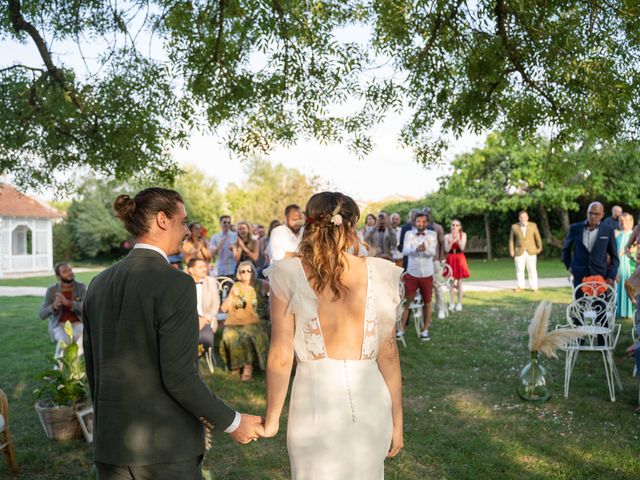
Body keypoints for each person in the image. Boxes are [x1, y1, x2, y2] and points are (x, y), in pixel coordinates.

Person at [83, 188, 262, 480]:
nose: (187, 231)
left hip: (111, 446)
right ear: (163, 220)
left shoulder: (98, 283)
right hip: (165, 450)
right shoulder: (175, 283)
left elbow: (94, 369)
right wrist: (233, 421)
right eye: (183, 222)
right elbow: (179, 376)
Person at [260, 192, 404, 479]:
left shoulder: (287, 273)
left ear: (309, 224)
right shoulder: (378, 272)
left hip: (313, 404)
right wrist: (397, 420)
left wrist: (272, 421)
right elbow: (388, 353)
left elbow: (280, 355)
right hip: (371, 402)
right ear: (351, 226)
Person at [219, 261, 270, 381]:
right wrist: (231, 296)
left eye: (249, 270)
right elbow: (223, 309)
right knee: (229, 335)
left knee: (249, 335)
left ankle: (248, 367)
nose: (247, 273)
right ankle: (235, 366)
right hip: (236, 322)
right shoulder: (236, 286)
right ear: (239, 274)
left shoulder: (262, 284)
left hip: (257, 321)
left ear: (253, 271)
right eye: (243, 271)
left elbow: (276, 295)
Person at [561, 201, 619, 289]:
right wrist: (569, 266)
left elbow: (614, 256)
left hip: (601, 276)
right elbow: (566, 248)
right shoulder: (575, 228)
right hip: (580, 275)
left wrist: (611, 276)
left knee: (600, 303)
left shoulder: (608, 230)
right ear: (587, 212)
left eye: (597, 214)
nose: (593, 216)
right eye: (590, 213)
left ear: (602, 214)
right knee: (580, 302)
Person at [400, 212, 437, 341]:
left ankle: (425, 330)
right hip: (412, 272)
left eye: (423, 221)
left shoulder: (432, 235)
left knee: (427, 302)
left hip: (427, 273)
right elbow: (404, 250)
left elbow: (432, 252)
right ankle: (402, 329)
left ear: (427, 223)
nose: (420, 224)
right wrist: (416, 248)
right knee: (407, 302)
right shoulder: (409, 234)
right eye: (418, 221)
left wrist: (425, 249)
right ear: (414, 222)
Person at [39, 263, 86, 357]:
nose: (69, 273)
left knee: (80, 340)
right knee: (64, 341)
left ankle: (75, 369)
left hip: (78, 323)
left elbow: (86, 308)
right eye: (65, 271)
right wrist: (53, 306)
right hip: (59, 325)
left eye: (70, 270)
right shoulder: (52, 290)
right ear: (58, 276)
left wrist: (68, 303)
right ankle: (58, 367)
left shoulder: (81, 287)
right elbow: (42, 314)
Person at [186, 257, 220, 356]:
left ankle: (196, 361)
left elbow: (215, 305)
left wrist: (205, 319)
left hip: (207, 319)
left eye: (205, 266)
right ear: (191, 270)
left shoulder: (211, 281)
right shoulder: (183, 282)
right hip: (188, 319)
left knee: (204, 338)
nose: (205, 269)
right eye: (200, 267)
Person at [509, 211, 543, 292]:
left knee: (532, 270)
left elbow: (537, 237)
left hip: (531, 251)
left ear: (527, 217)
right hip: (519, 251)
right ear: (519, 218)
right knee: (519, 270)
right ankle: (520, 286)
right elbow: (511, 240)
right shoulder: (514, 227)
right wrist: (511, 250)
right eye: (521, 217)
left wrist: (539, 248)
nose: (523, 219)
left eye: (524, 217)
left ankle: (534, 287)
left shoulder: (533, 225)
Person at [424, 207, 447, 319]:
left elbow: (442, 243)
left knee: (437, 284)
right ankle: (426, 308)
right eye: (425, 213)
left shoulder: (438, 227)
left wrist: (441, 257)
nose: (427, 214)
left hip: (435, 260)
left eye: (428, 213)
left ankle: (441, 308)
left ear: (431, 214)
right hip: (423, 261)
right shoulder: (420, 227)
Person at [445, 219, 470, 311]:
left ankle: (459, 303)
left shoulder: (463, 235)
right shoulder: (447, 236)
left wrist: (457, 239)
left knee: (459, 282)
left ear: (460, 227)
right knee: (451, 282)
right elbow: (446, 249)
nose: (454, 227)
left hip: (459, 258)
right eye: (453, 225)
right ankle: (452, 303)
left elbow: (462, 247)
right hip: (450, 258)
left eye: (457, 225)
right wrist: (451, 241)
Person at [616, 212, 636, 318]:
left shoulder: (634, 234)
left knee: (629, 285)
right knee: (619, 285)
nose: (623, 223)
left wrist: (624, 251)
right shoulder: (619, 235)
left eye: (625, 221)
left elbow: (637, 247)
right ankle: (620, 312)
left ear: (630, 222)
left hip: (630, 264)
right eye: (621, 221)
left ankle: (630, 312)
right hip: (620, 264)